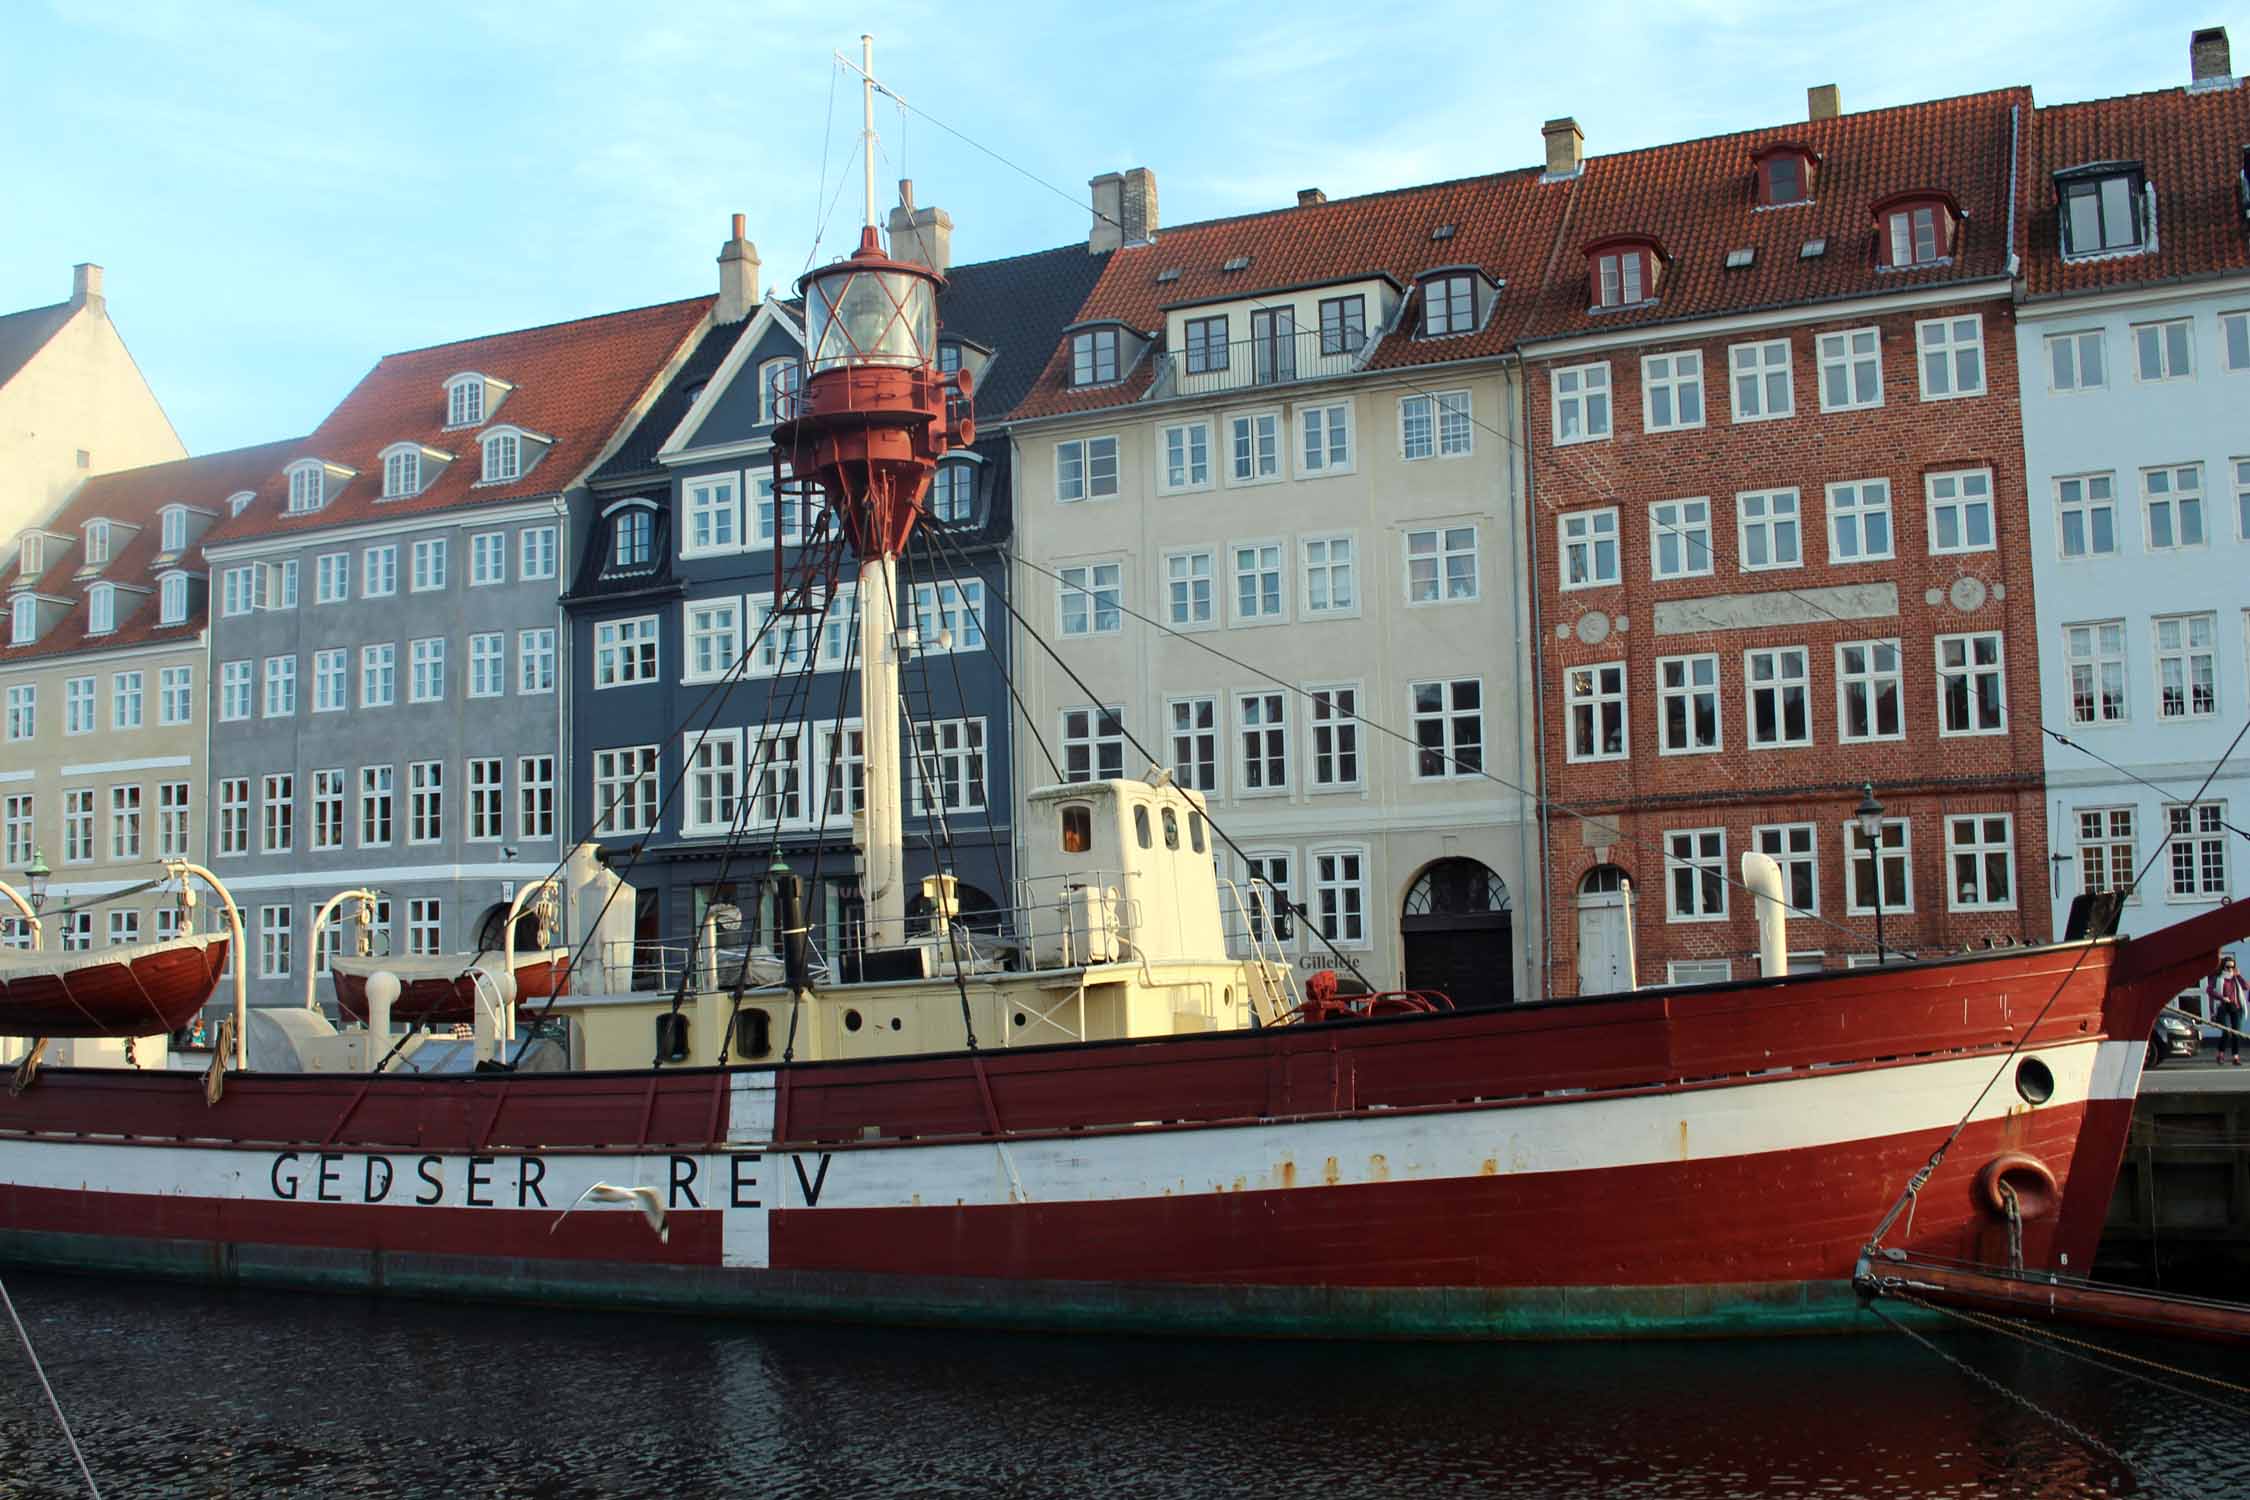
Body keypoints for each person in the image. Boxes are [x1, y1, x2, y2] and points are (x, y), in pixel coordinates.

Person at [2204, 956, 2246, 1066]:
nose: (2230, 969)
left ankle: (2235, 1057)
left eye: (2232, 967)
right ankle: (2220, 1054)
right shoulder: (2217, 978)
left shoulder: (2235, 978)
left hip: (2235, 1007)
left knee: (2236, 1033)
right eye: (2228, 966)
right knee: (2226, 1032)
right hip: (2223, 1007)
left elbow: (2246, 987)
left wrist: (2239, 975)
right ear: (2223, 966)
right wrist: (2221, 997)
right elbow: (2209, 990)